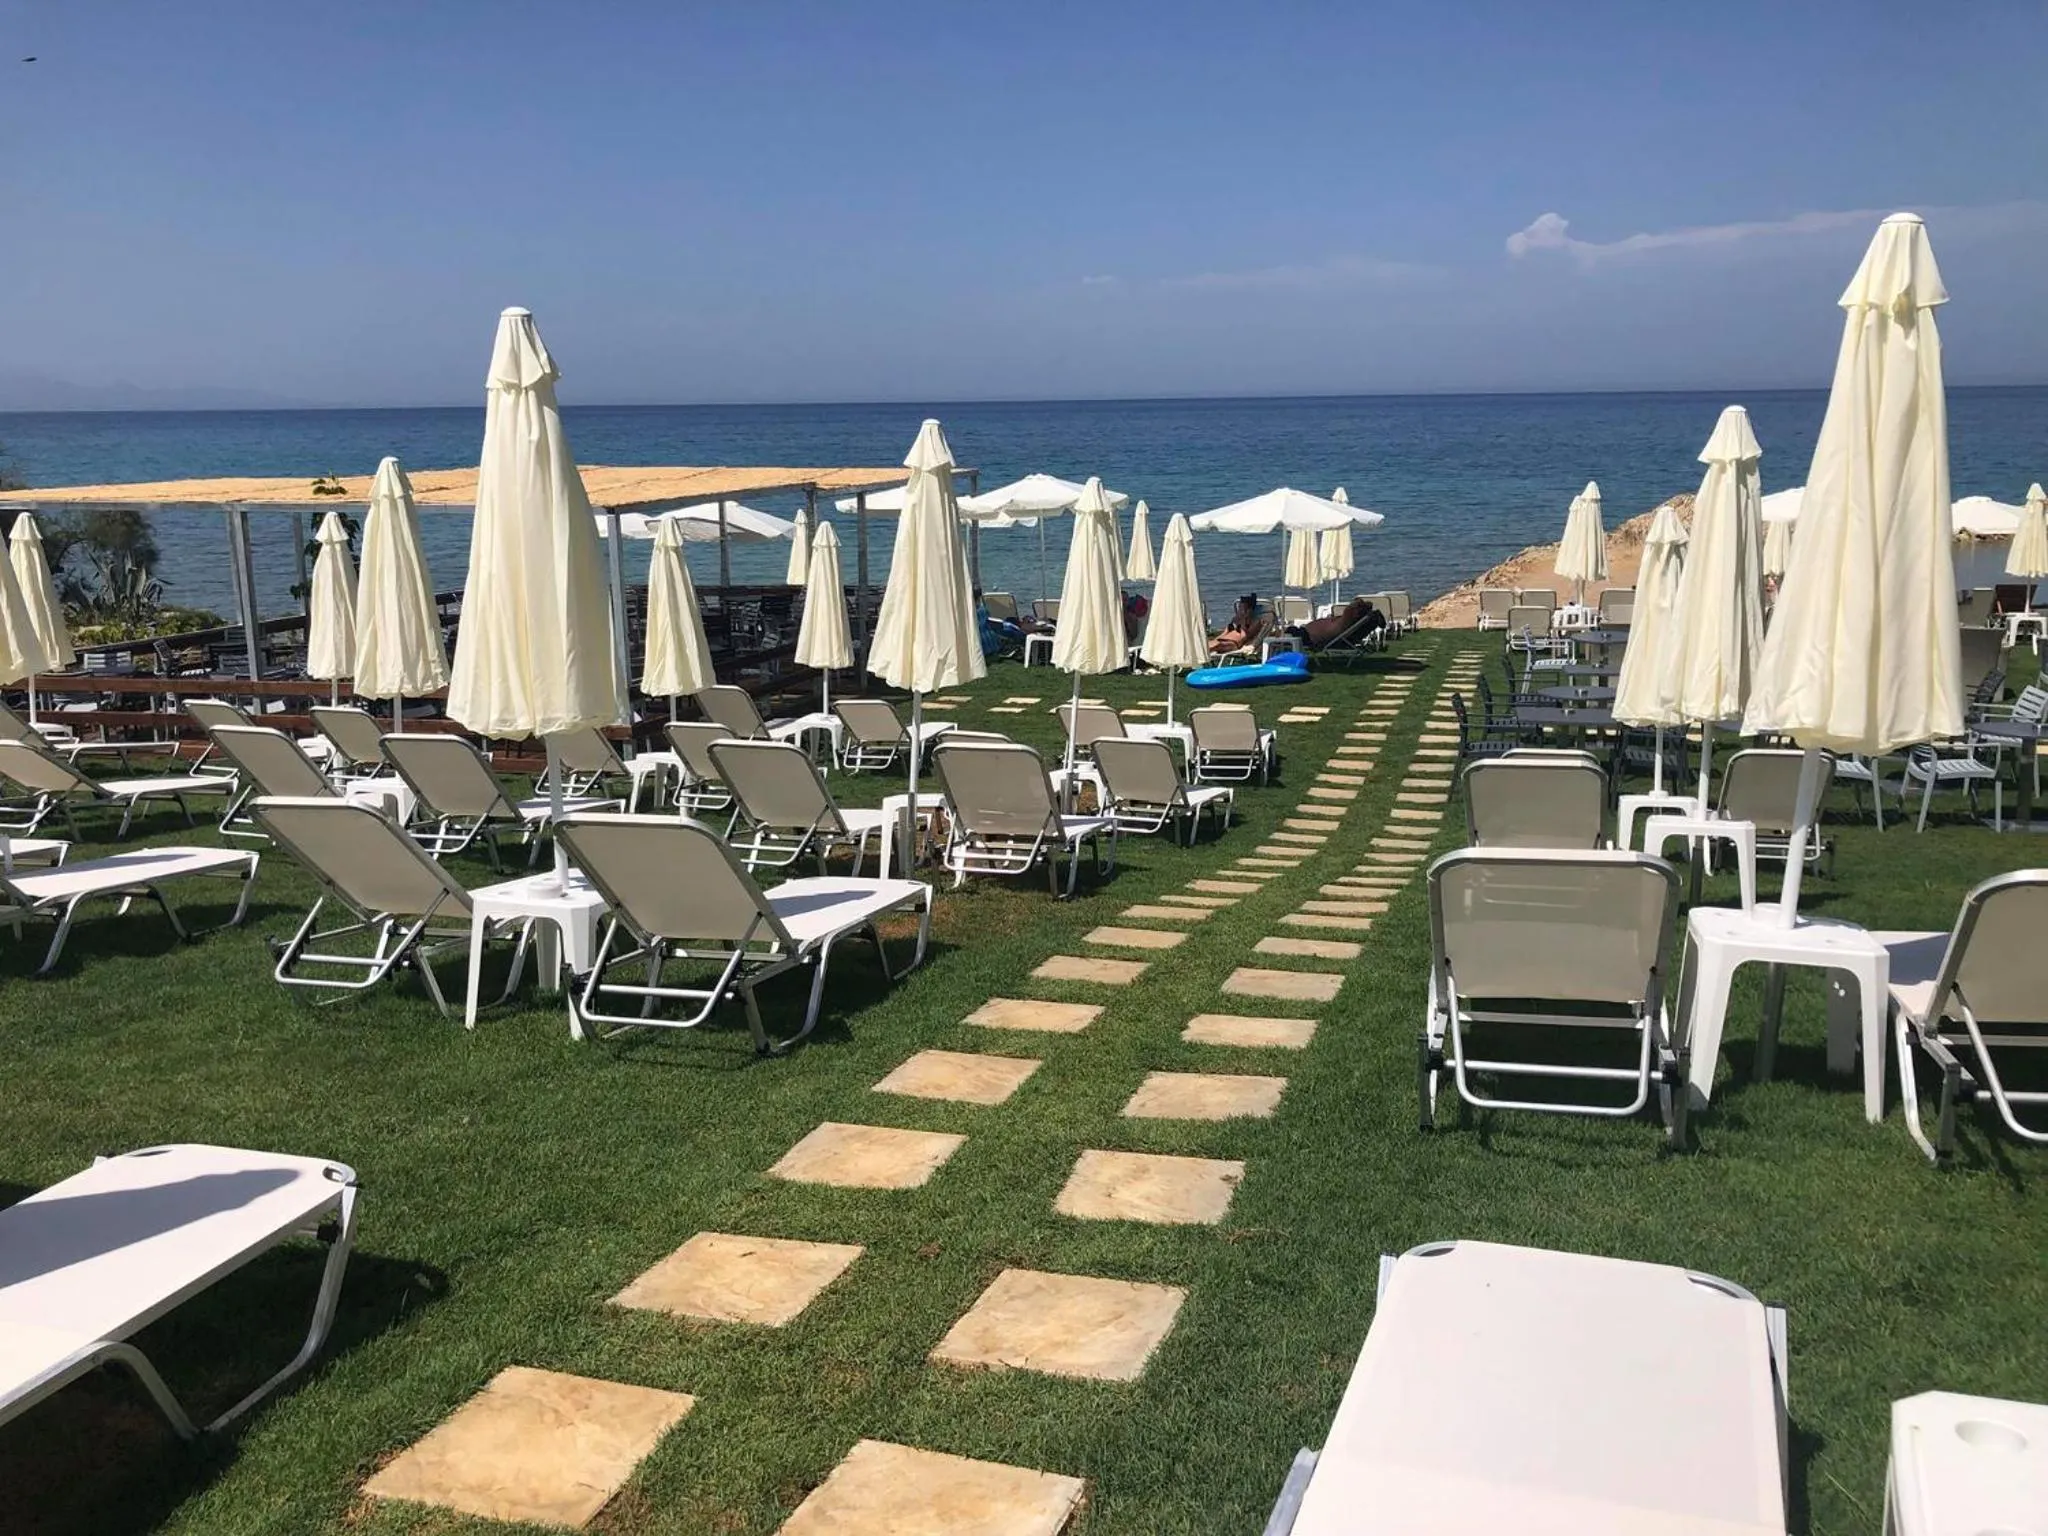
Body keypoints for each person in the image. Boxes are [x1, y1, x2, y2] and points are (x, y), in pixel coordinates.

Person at [1292, 594, 1384, 648]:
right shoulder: (1348, 620)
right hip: (1314, 634)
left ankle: (1291, 633)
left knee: (1293, 631)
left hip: (1313, 636)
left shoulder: (1347, 620)